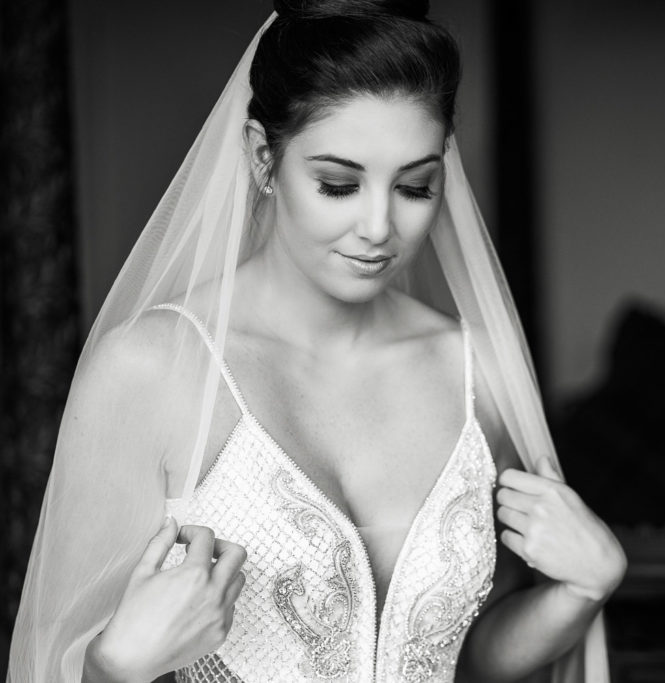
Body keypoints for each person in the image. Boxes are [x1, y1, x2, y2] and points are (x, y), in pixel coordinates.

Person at [8, 1, 626, 681]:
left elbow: (465, 660)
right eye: (338, 184)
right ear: (262, 158)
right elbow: (53, 659)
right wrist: (113, 666)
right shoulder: (150, 370)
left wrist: (581, 590)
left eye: (416, 186)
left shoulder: (476, 370)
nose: (378, 227)